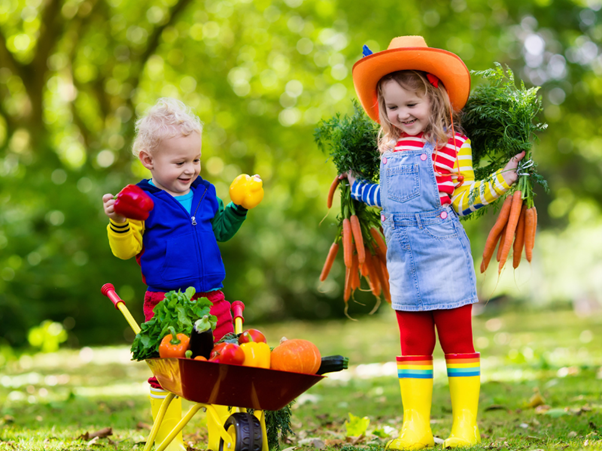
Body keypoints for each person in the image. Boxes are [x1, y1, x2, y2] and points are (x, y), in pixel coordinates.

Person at [348, 36, 525, 449]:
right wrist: (357, 186)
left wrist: (501, 181)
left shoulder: (453, 147)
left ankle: (465, 425)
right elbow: (386, 198)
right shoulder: (387, 149)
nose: (402, 114)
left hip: (443, 255)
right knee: (413, 345)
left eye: (412, 104)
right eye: (393, 107)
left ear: (434, 99)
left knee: (457, 341)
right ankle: (417, 426)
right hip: (404, 262)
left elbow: (462, 199)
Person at [102, 97, 258, 451]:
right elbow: (125, 250)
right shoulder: (140, 201)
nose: (190, 169)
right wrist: (118, 220)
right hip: (166, 303)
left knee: (224, 363)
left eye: (196, 160)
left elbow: (219, 229)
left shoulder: (205, 192)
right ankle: (171, 440)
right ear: (148, 160)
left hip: (212, 298)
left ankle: (224, 437)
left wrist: (239, 207)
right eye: (179, 162)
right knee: (168, 371)